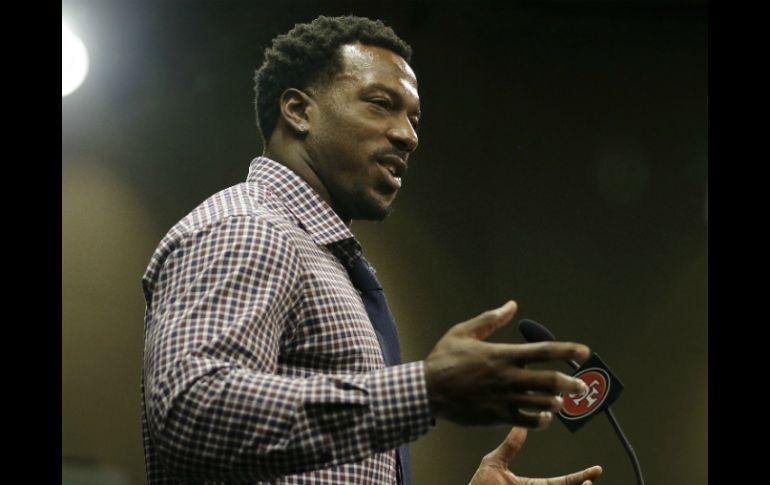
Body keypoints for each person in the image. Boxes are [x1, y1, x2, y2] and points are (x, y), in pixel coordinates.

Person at [141, 15, 603, 485]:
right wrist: (424, 391)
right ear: (299, 111)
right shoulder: (248, 228)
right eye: (382, 104)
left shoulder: (327, 260)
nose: (408, 136)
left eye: (413, 120)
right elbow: (189, 412)